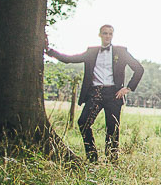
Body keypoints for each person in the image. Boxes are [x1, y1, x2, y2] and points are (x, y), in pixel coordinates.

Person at [45, 24, 144, 162]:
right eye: (105, 33)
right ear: (100, 35)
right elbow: (69, 59)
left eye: (110, 34)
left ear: (112, 35)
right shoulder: (91, 52)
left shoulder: (121, 52)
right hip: (95, 93)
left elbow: (139, 69)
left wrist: (128, 88)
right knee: (83, 122)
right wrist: (50, 51)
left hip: (114, 94)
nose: (107, 36)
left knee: (112, 129)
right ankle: (92, 157)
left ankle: (112, 162)